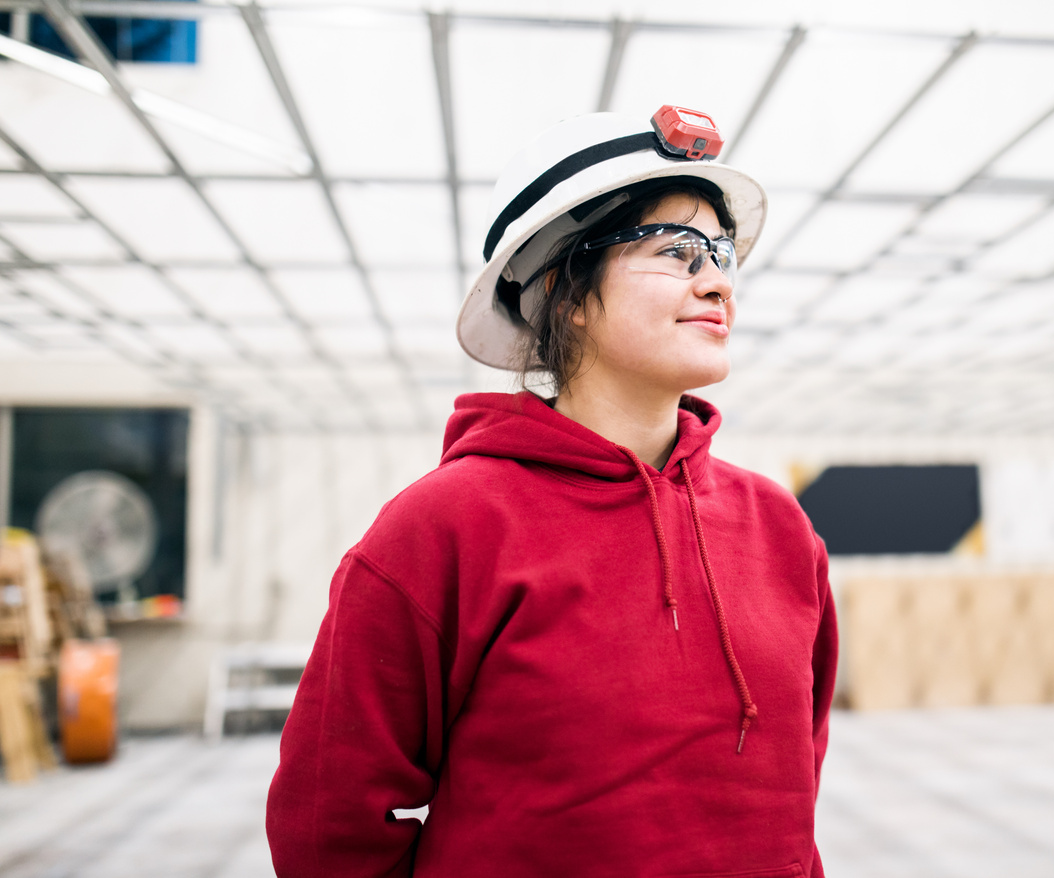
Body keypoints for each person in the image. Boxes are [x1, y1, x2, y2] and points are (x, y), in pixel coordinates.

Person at [266, 106, 838, 878]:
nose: (716, 283)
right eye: (676, 250)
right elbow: (328, 823)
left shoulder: (777, 527)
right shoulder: (443, 528)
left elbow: (791, 785)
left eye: (721, 254)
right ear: (565, 293)